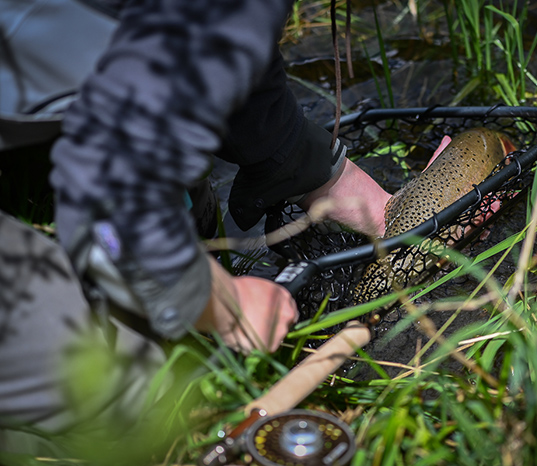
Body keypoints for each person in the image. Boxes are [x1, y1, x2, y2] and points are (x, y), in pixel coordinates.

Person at [0, 0, 391, 459]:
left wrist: (314, 171)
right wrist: (224, 305)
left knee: (183, 215)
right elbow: (111, 209)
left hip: (50, 87)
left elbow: (220, 46)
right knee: (104, 379)